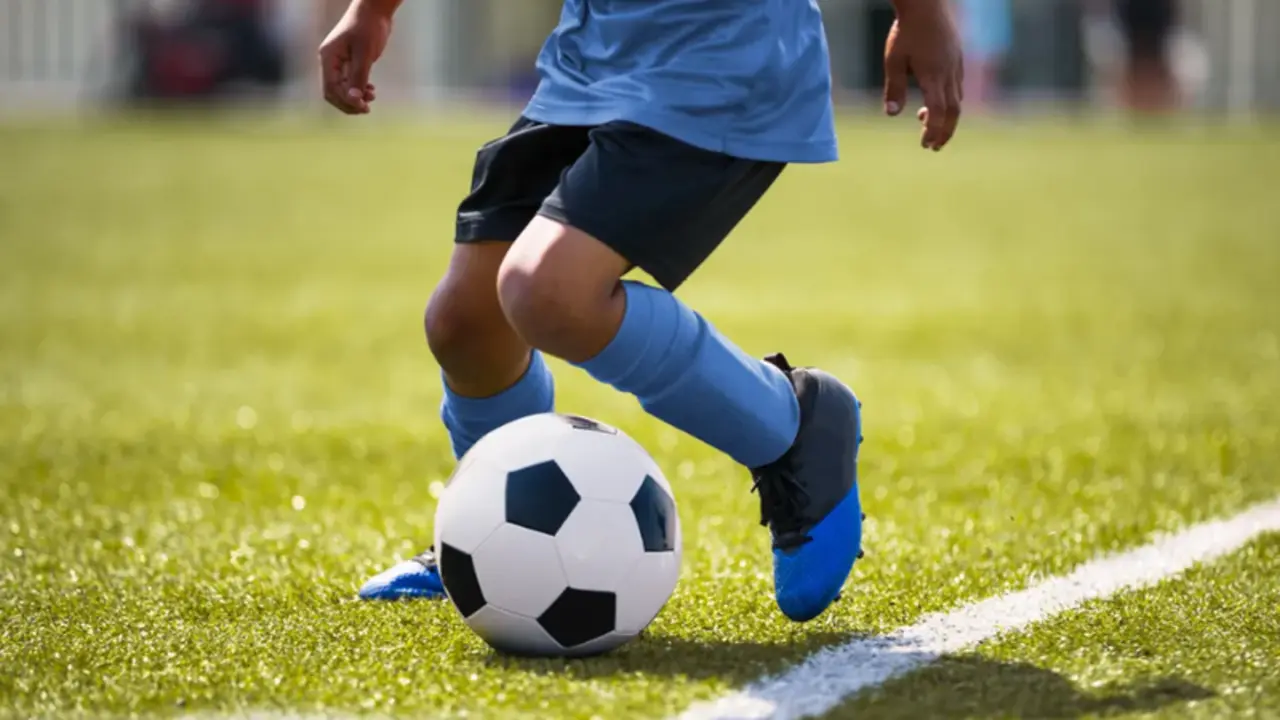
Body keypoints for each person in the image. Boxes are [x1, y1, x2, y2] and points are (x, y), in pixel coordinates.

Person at [319, 0, 963, 623]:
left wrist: (922, 12)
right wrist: (375, 9)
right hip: (589, 63)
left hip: (726, 65)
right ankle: (488, 537)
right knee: (464, 322)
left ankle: (791, 426)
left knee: (547, 292)